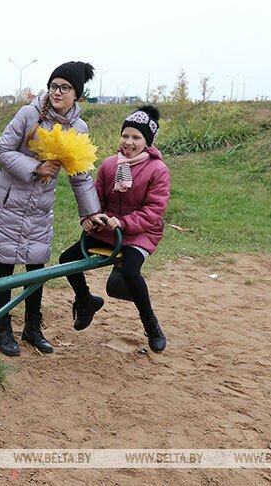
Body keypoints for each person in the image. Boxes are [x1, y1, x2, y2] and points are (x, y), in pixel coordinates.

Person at [0, 61, 106, 357]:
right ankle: (2, 328)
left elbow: (80, 174)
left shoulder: (78, 127)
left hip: (40, 207)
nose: (57, 92)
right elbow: (2, 150)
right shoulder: (28, 114)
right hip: (10, 200)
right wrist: (36, 167)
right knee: (5, 265)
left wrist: (91, 212)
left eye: (65, 88)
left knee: (36, 267)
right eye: (54, 85)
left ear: (77, 95)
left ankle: (33, 328)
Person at [58, 105, 170, 352]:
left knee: (130, 271)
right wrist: (90, 217)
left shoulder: (157, 169)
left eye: (136, 137)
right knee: (66, 259)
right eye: (125, 135)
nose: (129, 142)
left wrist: (125, 223)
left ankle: (150, 323)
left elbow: (154, 210)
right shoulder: (110, 165)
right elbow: (96, 199)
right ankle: (86, 300)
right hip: (108, 228)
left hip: (140, 232)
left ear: (147, 142)